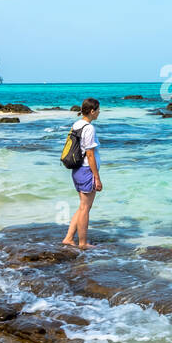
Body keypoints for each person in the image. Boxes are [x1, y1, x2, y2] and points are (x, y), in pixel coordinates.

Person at [63, 98, 102, 248]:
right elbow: (90, 154)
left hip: (77, 169)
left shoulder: (77, 124)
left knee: (82, 206)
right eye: (98, 110)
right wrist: (97, 177)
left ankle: (68, 238)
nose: (99, 112)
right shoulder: (89, 128)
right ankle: (83, 243)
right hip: (86, 170)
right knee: (86, 208)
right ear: (92, 111)